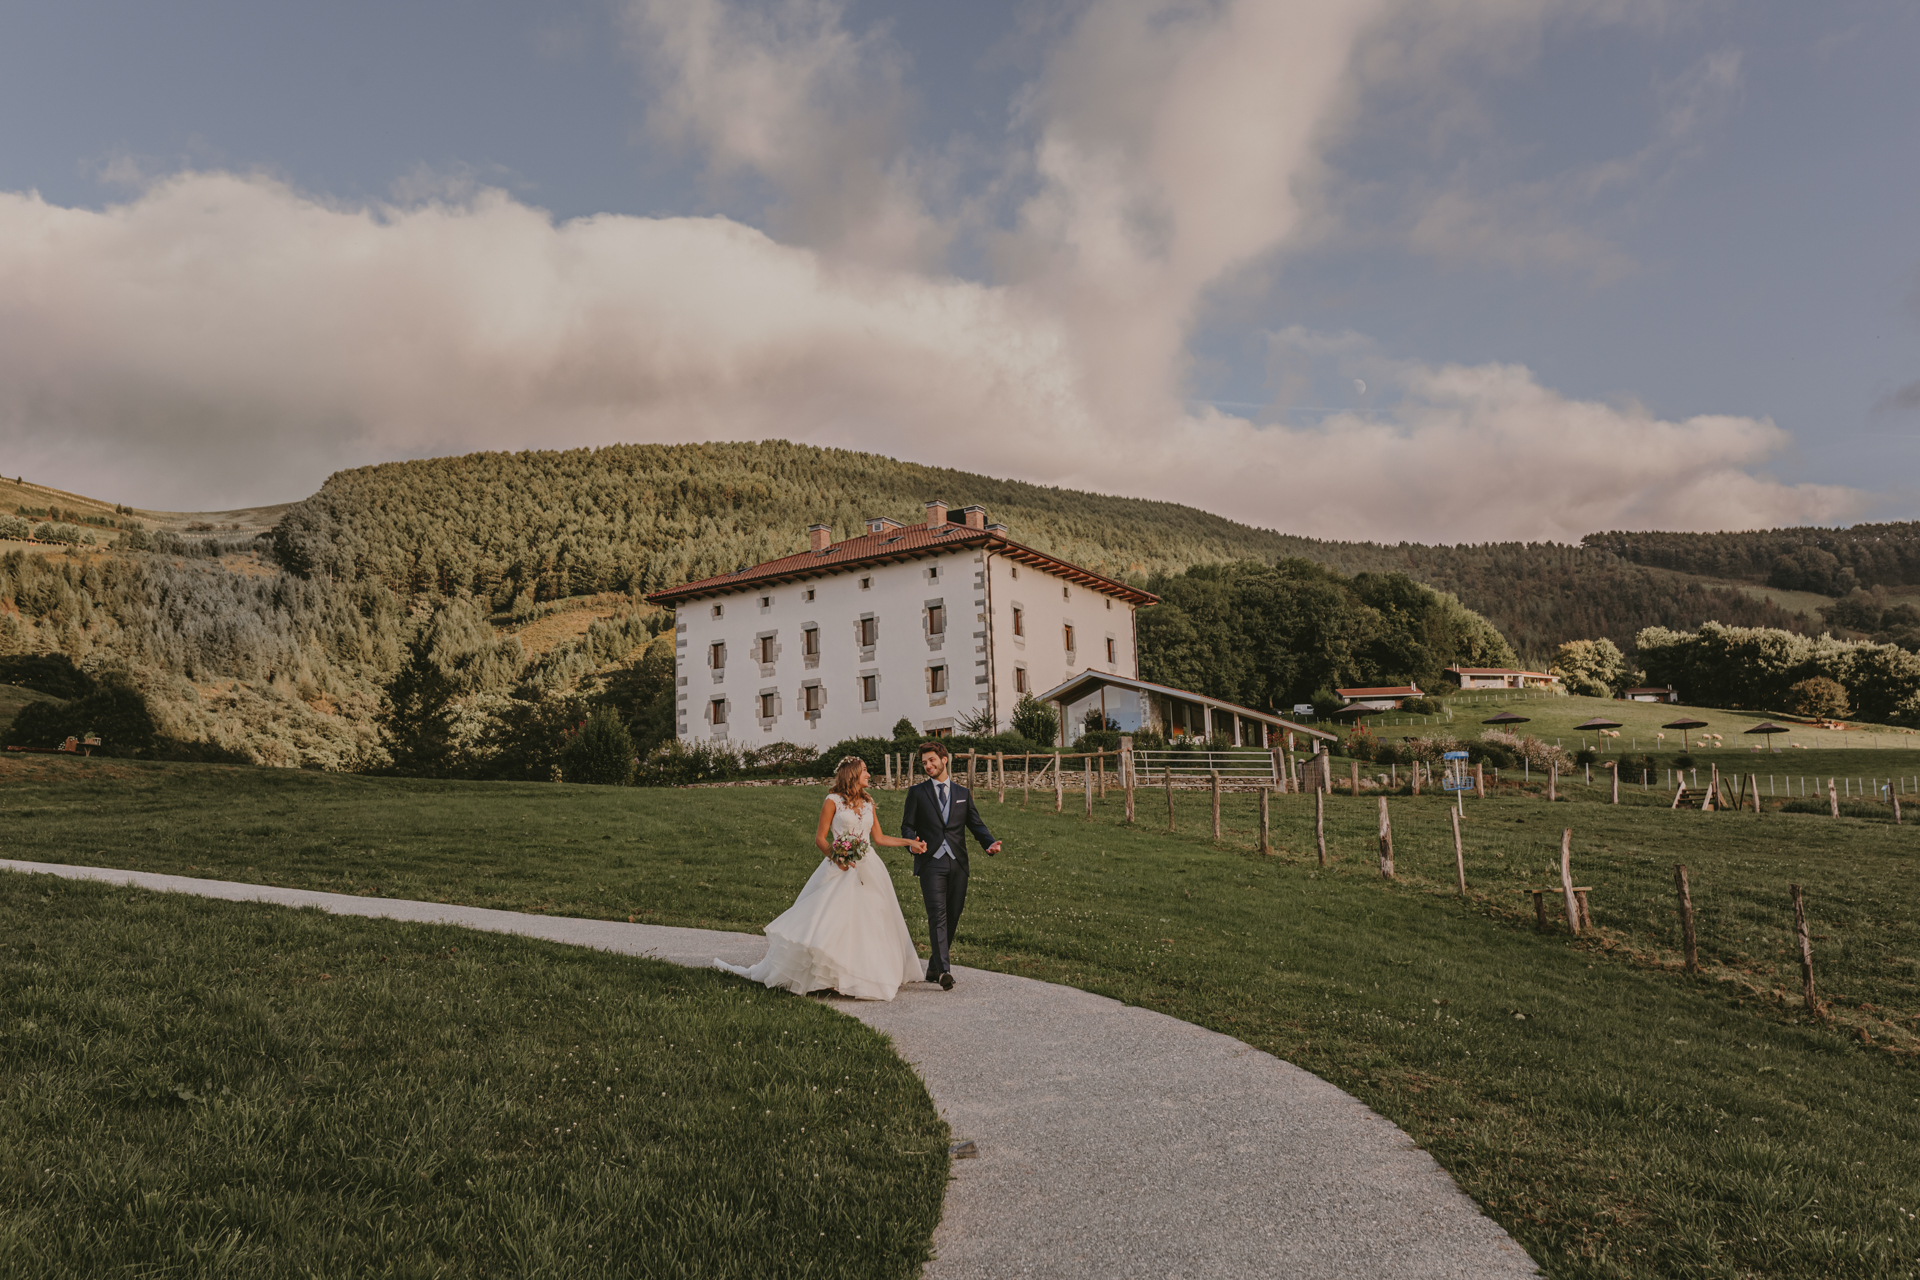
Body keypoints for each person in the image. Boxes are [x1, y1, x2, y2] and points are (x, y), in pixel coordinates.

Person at [715, 756, 928, 1001]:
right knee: (831, 921)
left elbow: (878, 838)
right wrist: (836, 857)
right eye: (865, 771)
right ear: (852, 774)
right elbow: (820, 838)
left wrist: (909, 842)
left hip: (869, 867)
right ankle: (828, 977)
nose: (869, 775)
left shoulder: (869, 801)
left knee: (870, 920)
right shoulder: (832, 801)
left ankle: (862, 975)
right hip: (840, 867)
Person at [900, 740, 1001, 990]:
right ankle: (945, 970)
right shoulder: (917, 793)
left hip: (958, 863)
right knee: (938, 916)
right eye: (924, 762)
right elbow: (907, 826)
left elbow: (975, 824)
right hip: (930, 863)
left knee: (952, 915)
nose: (928, 765)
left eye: (932, 760)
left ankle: (934, 967)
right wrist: (911, 843)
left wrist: (988, 843)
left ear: (944, 760)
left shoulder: (962, 794)